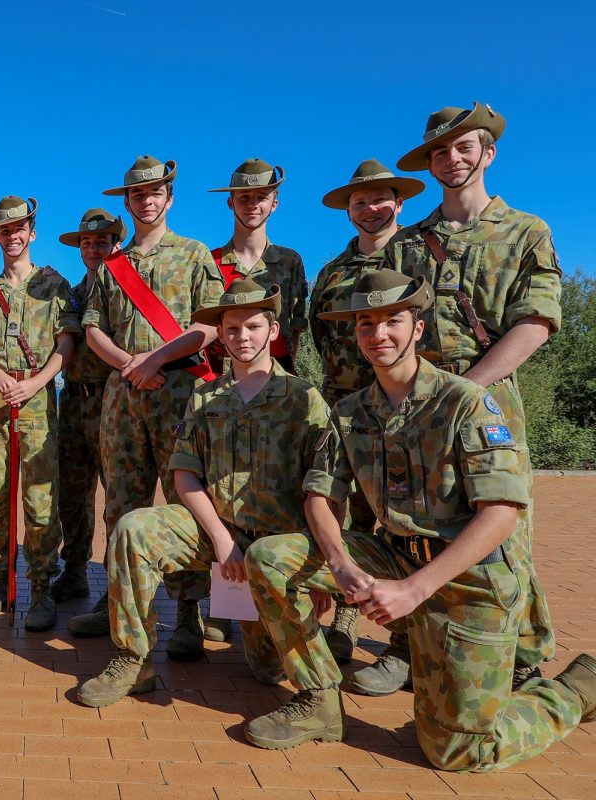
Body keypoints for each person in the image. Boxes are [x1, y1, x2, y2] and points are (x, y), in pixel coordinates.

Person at [243, 269, 595, 770]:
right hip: (397, 558)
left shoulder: (465, 402)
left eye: (392, 321)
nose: (378, 334)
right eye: (366, 323)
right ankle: (319, 700)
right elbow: (320, 497)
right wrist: (340, 565)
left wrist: (414, 592)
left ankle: (574, 692)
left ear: (418, 329)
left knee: (456, 751)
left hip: (469, 579)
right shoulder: (350, 412)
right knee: (271, 556)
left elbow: (501, 514)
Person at [78, 278, 328, 707]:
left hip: (275, 551)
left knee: (268, 669)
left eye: (252, 327)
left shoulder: (302, 398)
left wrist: (319, 570)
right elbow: (185, 475)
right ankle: (133, 659)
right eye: (232, 329)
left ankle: (294, 662)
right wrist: (221, 539)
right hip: (218, 538)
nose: (241, 337)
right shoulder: (207, 396)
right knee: (134, 528)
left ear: (273, 331)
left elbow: (323, 492)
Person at [386, 102, 561, 692]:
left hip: (486, 397)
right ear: (430, 163)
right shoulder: (408, 243)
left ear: (488, 154)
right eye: (441, 151)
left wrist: (464, 389)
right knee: (420, 517)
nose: (452, 159)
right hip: (417, 397)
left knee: (503, 524)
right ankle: (423, 641)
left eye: (465, 148)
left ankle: (521, 656)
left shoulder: (525, 230)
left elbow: (536, 321)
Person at [69, 155, 223, 658]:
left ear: (169, 197)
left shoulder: (195, 253)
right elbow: (93, 328)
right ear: (128, 202)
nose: (147, 200)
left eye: (155, 192)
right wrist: (129, 364)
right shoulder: (113, 265)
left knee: (183, 502)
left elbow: (211, 326)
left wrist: (154, 358)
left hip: (180, 391)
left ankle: (187, 616)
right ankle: (123, 606)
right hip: (124, 394)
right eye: (138, 194)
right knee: (121, 503)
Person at [311, 159, 426, 682]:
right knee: (350, 517)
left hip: (408, 414)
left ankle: (406, 643)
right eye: (360, 202)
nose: (370, 208)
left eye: (380, 199)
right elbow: (319, 335)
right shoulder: (333, 272)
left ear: (398, 203)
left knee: (411, 523)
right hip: (348, 412)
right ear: (348, 211)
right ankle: (348, 620)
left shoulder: (422, 257)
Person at [0, 196, 78, 629]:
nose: (12, 236)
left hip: (37, 400)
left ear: (32, 233)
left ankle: (43, 587)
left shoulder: (55, 286)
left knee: (40, 498)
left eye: (19, 229)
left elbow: (66, 344)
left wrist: (36, 381)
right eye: (4, 231)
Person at [50, 209, 123, 604]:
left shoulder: (125, 291)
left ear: (116, 246)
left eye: (102, 242)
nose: (94, 248)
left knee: (118, 496)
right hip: (73, 402)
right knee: (73, 495)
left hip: (113, 399)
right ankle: (75, 570)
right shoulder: (72, 293)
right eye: (87, 243)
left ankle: (116, 583)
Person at [205, 159, 307, 376]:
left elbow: (296, 325)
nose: (252, 205)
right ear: (230, 203)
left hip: (276, 377)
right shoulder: (209, 261)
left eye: (261, 197)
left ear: (274, 204)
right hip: (219, 380)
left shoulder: (289, 261)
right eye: (244, 198)